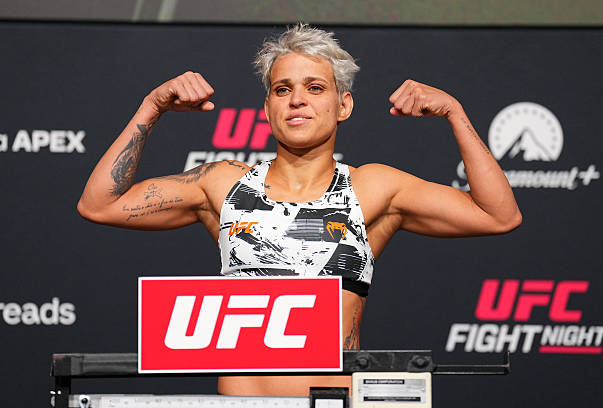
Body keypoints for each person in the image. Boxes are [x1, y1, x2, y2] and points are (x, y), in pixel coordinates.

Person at [77, 24, 521, 396]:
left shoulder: (371, 188)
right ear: (267, 107)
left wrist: (454, 112)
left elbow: (498, 215)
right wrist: (152, 107)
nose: (297, 100)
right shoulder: (224, 184)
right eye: (282, 89)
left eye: (315, 88)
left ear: (343, 105)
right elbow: (100, 204)